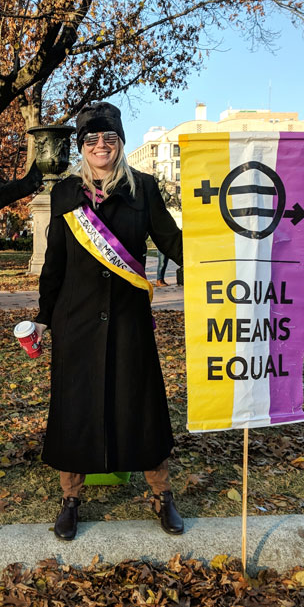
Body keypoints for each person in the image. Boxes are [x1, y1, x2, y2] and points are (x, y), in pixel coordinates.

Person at [33, 102, 184, 541]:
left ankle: (162, 495)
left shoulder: (144, 190)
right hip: (75, 321)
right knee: (74, 409)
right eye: (92, 139)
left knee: (141, 406)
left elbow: (171, 240)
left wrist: (214, 263)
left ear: (120, 143)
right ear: (82, 147)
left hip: (127, 320)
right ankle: (71, 498)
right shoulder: (65, 194)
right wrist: (44, 318)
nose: (101, 146)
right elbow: (54, 263)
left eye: (109, 138)